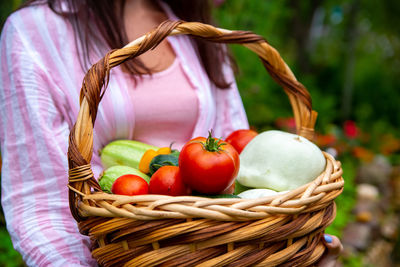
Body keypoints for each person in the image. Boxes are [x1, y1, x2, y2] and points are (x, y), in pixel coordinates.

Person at [0, 0, 341, 266]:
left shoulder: (194, 26)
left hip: (224, 249)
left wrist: (290, 252)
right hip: (111, 255)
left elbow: (236, 153)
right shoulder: (33, 32)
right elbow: (38, 204)